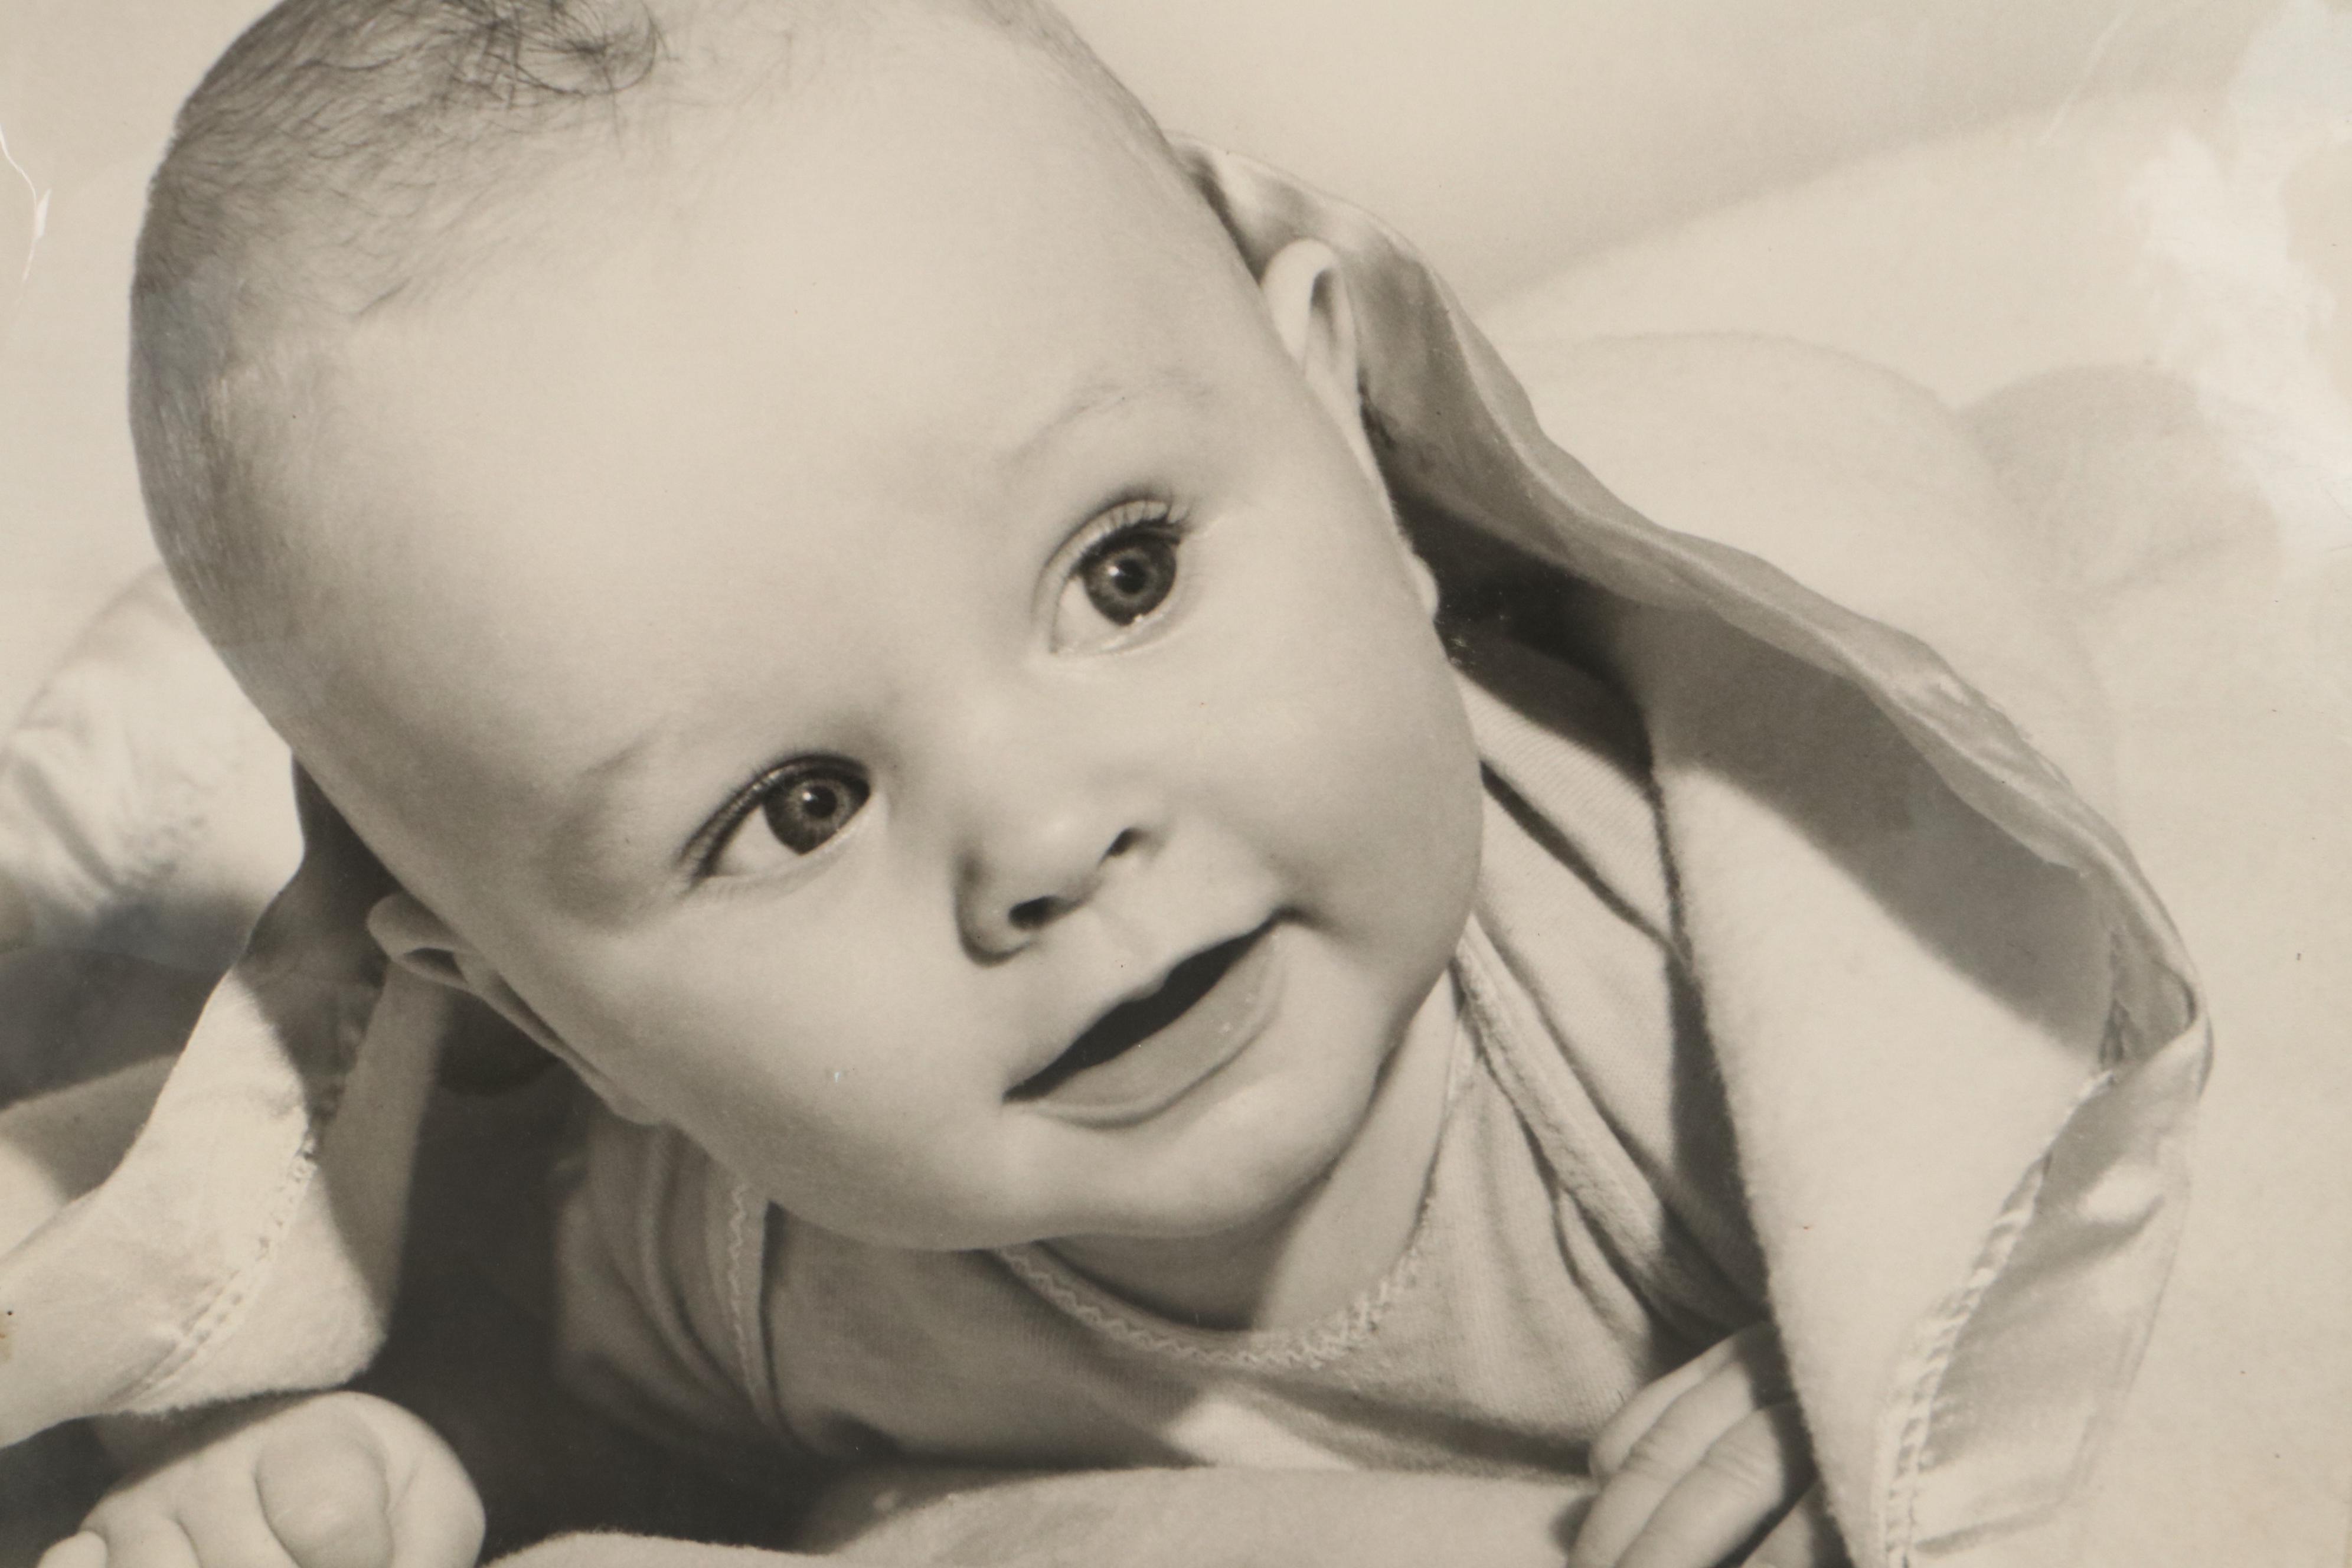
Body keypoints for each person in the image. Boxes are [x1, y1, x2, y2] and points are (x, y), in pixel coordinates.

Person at [19, 1, 2197, 1566]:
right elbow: (582, 1406)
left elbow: (2127, 1110)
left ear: (1342, 426)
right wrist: (398, 1473)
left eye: (1125, 573)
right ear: (549, 1018)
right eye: (794, 807)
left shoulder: (1688, 965)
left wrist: (1930, 1346)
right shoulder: (763, 1258)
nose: (1051, 843)